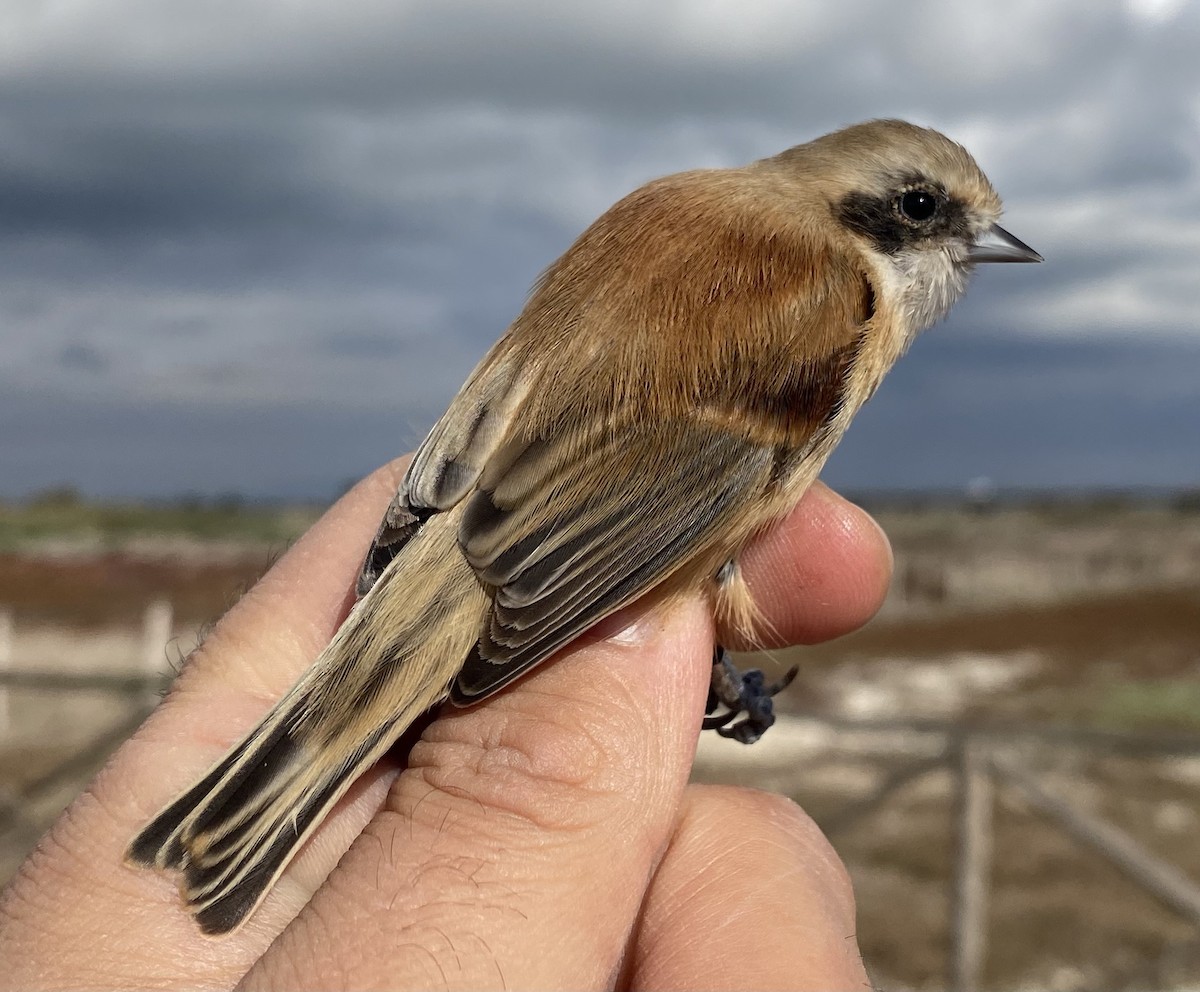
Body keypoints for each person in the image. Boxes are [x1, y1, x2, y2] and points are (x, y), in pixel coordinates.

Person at [0, 459, 891, 990]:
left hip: (466, 498)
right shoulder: (824, 301)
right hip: (564, 542)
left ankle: (238, 814)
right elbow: (665, 521)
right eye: (928, 214)